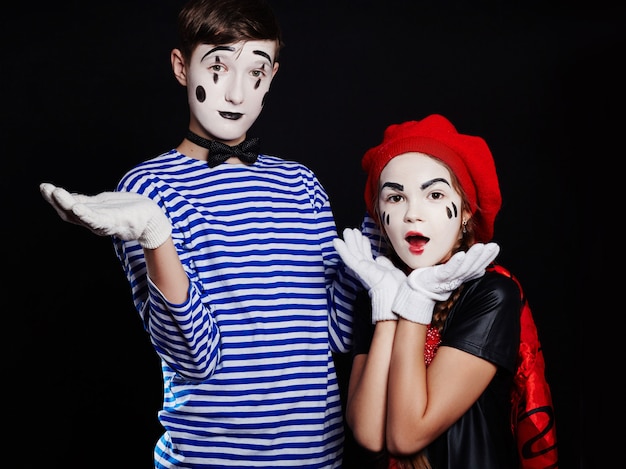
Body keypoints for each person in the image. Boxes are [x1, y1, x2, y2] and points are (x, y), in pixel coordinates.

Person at [39, 0, 370, 467]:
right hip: (205, 460)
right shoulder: (149, 189)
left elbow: (334, 334)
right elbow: (192, 358)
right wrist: (156, 234)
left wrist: (386, 209)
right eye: (218, 66)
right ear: (182, 66)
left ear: (272, 76)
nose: (236, 93)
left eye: (255, 72)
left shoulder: (302, 185)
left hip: (316, 459)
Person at [333, 114, 558, 468]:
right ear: (378, 213)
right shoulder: (376, 289)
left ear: (465, 210)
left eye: (435, 194)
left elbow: (405, 435)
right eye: (395, 198)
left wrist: (417, 301)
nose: (412, 214)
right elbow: (369, 432)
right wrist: (387, 307)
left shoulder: (492, 294)